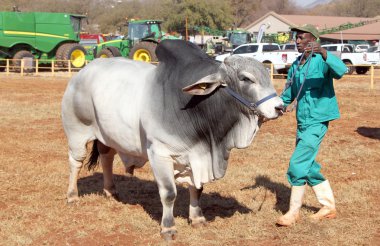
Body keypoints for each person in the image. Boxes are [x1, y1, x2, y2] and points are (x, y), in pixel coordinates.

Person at [276, 24, 347, 226]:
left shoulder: (322, 60)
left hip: (318, 120)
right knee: (308, 165)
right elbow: (288, 93)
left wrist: (324, 52)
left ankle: (292, 212)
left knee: (297, 164)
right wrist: (278, 107)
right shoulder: (297, 64)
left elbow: (342, 71)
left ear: (313, 40)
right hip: (302, 121)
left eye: (301, 37)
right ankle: (328, 207)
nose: (297, 41)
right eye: (296, 38)